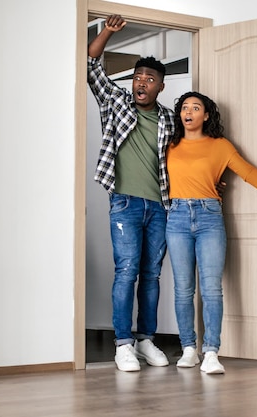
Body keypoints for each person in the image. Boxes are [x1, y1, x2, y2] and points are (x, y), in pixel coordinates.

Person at [166, 91, 257, 374]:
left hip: (209, 217)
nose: (188, 112)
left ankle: (212, 352)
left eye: (195, 107)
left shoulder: (220, 146)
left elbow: (250, 173)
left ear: (206, 115)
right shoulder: (168, 144)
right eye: (184, 108)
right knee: (183, 289)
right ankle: (188, 348)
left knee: (212, 288)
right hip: (176, 217)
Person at [87, 14, 173, 372]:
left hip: (161, 206)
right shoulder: (117, 102)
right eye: (138, 77)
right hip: (124, 202)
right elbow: (90, 66)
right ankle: (123, 343)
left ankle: (146, 341)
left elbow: (187, 156)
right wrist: (107, 30)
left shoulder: (169, 119)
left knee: (151, 275)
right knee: (127, 272)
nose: (141, 82)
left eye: (148, 79)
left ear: (159, 87)